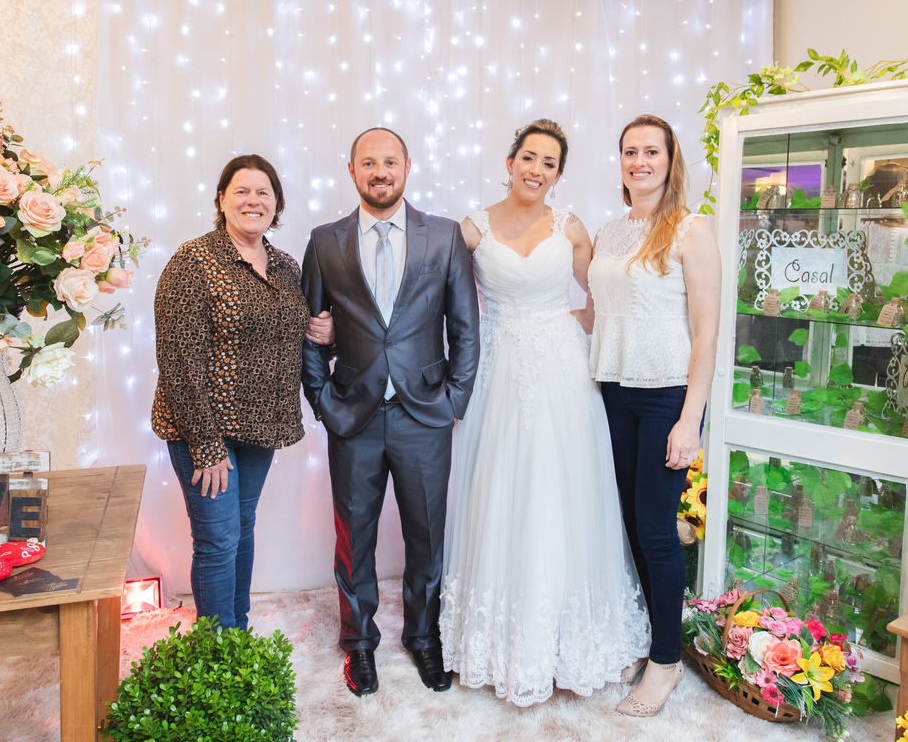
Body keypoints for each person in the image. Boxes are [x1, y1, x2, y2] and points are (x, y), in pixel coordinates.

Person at [441, 119, 651, 707]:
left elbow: (605, 291)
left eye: (549, 163)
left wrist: (587, 323)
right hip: (498, 371)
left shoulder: (571, 226)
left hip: (563, 371)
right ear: (510, 162)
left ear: (558, 174)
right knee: (505, 492)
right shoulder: (472, 228)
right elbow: (441, 301)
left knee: (566, 492)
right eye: (529, 158)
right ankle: (503, 642)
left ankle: (573, 638)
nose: (537, 170)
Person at [301, 127, 481, 697]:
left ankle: (423, 636)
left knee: (426, 534)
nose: (379, 172)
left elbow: (466, 328)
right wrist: (322, 399)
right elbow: (310, 330)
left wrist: (455, 399)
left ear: (407, 166)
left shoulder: (444, 236)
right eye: (368, 162)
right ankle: (359, 642)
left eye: (389, 161)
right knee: (353, 536)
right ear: (352, 170)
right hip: (352, 414)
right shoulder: (324, 241)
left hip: (424, 414)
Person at [152, 154, 334, 631]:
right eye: (241, 191)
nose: (253, 201)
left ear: (277, 204)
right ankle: (218, 649)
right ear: (221, 200)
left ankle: (238, 633)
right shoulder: (193, 262)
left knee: (242, 529)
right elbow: (178, 360)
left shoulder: (285, 266)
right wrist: (206, 446)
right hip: (203, 429)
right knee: (217, 539)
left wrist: (325, 331)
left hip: (260, 427)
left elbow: (294, 330)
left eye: (263, 192)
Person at [587, 115, 722, 716]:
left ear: (671, 161)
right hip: (613, 391)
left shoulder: (692, 230)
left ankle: (667, 661)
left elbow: (707, 332)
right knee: (626, 523)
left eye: (651, 151)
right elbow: (600, 312)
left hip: (667, 394)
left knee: (656, 529)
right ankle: (651, 637)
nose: (639, 161)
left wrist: (691, 420)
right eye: (629, 151)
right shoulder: (610, 231)